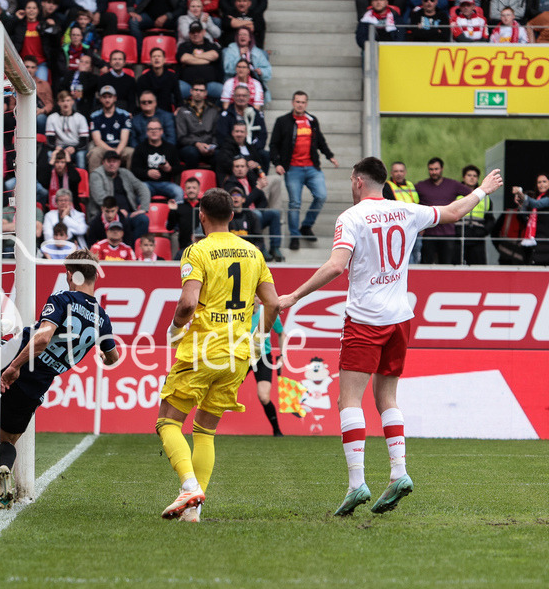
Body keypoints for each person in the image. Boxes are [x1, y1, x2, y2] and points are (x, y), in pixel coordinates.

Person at [276, 158, 503, 516]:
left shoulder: (351, 218)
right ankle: (399, 472)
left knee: (349, 400)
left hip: (365, 320)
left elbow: (336, 265)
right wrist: (481, 190)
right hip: (400, 319)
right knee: (387, 397)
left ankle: (356, 483)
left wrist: (292, 296)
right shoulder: (405, 210)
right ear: (384, 182)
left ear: (356, 181)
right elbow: (453, 212)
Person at [156, 187, 279, 523]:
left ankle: (189, 486)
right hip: (238, 355)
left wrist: (175, 329)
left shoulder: (197, 252)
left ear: (201, 216)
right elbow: (274, 303)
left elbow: (187, 303)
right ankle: (193, 511)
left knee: (168, 421)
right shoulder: (253, 253)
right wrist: (259, 339)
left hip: (203, 350)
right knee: (205, 430)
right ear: (233, 216)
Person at [0, 249, 119, 507]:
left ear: (70, 274)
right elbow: (113, 358)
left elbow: (42, 339)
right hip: (39, 385)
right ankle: (2, 471)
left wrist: (14, 367)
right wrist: (98, 354)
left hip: (17, 367)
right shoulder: (103, 318)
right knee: (8, 439)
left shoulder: (63, 299)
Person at [270, 91, 339, 251]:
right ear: (292, 103)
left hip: (312, 167)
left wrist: (330, 156)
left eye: (303, 102)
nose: (300, 104)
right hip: (293, 169)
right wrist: (277, 163)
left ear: (306, 104)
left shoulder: (312, 120)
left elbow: (320, 140)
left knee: (321, 196)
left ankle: (306, 226)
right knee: (295, 203)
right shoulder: (282, 121)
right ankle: (294, 235)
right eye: (297, 101)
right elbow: (273, 144)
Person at [415, 156, 471, 265]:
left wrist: (459, 209)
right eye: (431, 169)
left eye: (436, 169)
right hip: (428, 233)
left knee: (447, 265)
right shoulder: (420, 186)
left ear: (442, 169)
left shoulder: (453, 185)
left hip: (448, 233)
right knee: (426, 265)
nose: (434, 172)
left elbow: (470, 194)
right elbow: (412, 202)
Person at [246, 296, 285, 437]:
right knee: (224, 392)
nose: (253, 298)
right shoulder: (239, 313)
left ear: (260, 298)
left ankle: (276, 430)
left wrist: (282, 355)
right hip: (242, 357)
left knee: (263, 397)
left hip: (263, 358)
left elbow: (281, 333)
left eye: (256, 295)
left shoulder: (267, 312)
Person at [88, 150, 150, 238]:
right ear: (103, 162)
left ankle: (134, 250)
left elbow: (142, 187)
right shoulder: (96, 175)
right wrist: (117, 211)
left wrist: (143, 208)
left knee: (143, 219)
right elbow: (100, 197)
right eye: (109, 161)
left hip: (129, 214)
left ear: (119, 162)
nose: (112, 164)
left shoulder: (125, 173)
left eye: (115, 161)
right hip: (107, 215)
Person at [130, 118, 183, 203]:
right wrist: (147, 173)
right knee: (141, 191)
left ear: (161, 131)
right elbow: (134, 169)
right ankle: (142, 215)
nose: (153, 131)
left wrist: (169, 169)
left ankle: (175, 215)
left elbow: (179, 168)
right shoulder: (140, 148)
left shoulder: (170, 148)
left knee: (179, 192)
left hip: (166, 183)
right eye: (151, 129)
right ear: (147, 132)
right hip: (147, 183)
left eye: (156, 129)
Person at [382, 161, 421, 263]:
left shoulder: (410, 185)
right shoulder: (387, 186)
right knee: (405, 256)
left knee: (416, 252)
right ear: (391, 173)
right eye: (396, 171)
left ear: (405, 172)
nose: (399, 174)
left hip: (414, 225)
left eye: (401, 171)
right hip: (399, 227)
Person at [175, 82, 219, 170]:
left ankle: (219, 183)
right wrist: (197, 144)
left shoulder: (213, 111)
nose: (198, 92)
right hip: (190, 147)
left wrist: (212, 146)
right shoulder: (182, 111)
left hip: (208, 147)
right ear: (191, 91)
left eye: (201, 90)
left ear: (205, 93)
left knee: (220, 155)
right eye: (196, 90)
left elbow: (216, 134)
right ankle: (191, 182)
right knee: (191, 153)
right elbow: (181, 137)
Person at [87, 85, 133, 172]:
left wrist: (116, 153)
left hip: (120, 148)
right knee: (94, 153)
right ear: (100, 99)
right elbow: (97, 141)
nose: (107, 100)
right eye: (104, 97)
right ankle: (95, 183)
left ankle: (130, 183)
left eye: (110, 97)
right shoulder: (95, 116)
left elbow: (124, 140)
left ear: (115, 98)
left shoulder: (124, 115)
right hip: (103, 148)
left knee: (132, 153)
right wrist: (111, 152)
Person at [457, 164, 494, 266]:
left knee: (478, 270)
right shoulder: (455, 194)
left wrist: (483, 231)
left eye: (475, 176)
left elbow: (490, 219)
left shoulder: (485, 197)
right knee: (456, 270)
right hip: (459, 238)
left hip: (477, 239)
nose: (472, 178)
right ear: (463, 177)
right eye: (469, 175)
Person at [513, 175, 549, 265]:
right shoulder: (535, 197)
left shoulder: (541, 200)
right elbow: (524, 216)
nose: (541, 184)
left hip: (545, 241)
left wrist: (522, 196)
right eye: (539, 182)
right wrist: (521, 203)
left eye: (544, 181)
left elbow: (537, 204)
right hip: (535, 241)